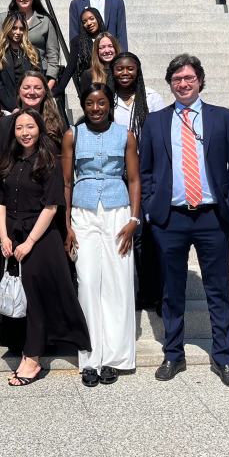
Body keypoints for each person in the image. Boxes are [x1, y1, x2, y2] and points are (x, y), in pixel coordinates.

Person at [139, 54, 229, 387]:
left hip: (213, 216)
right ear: (170, 84)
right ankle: (173, 354)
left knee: (218, 289)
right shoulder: (156, 121)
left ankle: (224, 358)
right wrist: (149, 207)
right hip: (170, 219)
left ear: (200, 80)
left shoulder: (222, 117)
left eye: (188, 78)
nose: (183, 84)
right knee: (171, 291)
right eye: (176, 79)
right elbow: (145, 170)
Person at [0, 109, 90, 386]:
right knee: (21, 296)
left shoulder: (48, 161)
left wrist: (29, 242)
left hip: (39, 237)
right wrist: (3, 236)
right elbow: (0, 202)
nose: (25, 132)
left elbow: (51, 207)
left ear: (39, 129)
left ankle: (32, 359)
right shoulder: (9, 159)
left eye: (30, 127)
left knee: (35, 299)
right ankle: (26, 351)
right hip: (12, 235)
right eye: (19, 127)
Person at [62, 82, 141, 387]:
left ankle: (115, 358)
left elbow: (133, 179)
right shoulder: (73, 134)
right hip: (82, 215)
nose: (96, 109)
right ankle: (90, 358)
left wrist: (134, 218)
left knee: (118, 282)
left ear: (110, 104)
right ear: (83, 105)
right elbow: (67, 183)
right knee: (88, 283)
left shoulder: (125, 135)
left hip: (118, 213)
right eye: (90, 104)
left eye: (102, 103)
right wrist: (66, 223)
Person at [110, 51, 167, 311]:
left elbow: (161, 138)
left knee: (147, 234)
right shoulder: (106, 99)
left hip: (146, 174)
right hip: (115, 175)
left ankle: (151, 290)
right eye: (119, 68)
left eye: (130, 68)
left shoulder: (153, 98)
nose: (124, 73)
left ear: (138, 70)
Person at [0, 71, 65, 172]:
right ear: (18, 92)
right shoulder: (5, 123)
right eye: (26, 88)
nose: (32, 92)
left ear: (45, 91)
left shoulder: (56, 124)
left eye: (37, 88)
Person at [0, 0, 59, 90]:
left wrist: (50, 83)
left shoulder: (45, 21)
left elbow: (53, 55)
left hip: (38, 76)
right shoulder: (3, 18)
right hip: (9, 77)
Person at [0, 12, 42, 112]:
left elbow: (39, 80)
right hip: (6, 107)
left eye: (21, 29)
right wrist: (13, 107)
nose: (18, 32)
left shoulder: (33, 52)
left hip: (31, 104)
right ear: (7, 28)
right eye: (14, 28)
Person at [54, 7, 106, 99]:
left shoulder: (108, 38)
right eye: (84, 22)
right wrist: (60, 87)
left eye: (91, 19)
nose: (89, 23)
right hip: (88, 83)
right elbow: (71, 65)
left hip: (106, 81)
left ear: (98, 18)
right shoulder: (78, 41)